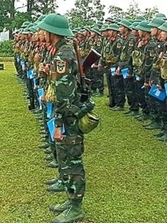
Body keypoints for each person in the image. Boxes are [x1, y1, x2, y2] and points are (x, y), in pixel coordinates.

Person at [43, 13, 93, 223]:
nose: (42, 34)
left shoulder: (62, 56)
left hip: (69, 116)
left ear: (52, 33)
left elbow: (63, 96)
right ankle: (70, 198)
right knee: (66, 159)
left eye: (44, 30)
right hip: (69, 112)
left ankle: (75, 207)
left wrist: (59, 124)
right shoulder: (64, 51)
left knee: (72, 160)